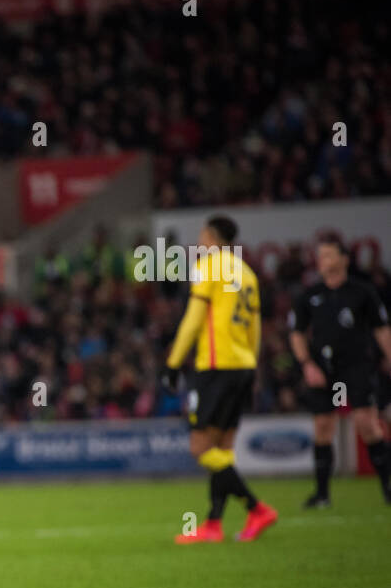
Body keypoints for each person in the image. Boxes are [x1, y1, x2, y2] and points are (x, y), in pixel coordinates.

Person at [162, 216, 277, 543]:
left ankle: (256, 508)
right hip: (242, 365)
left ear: (211, 237)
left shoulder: (210, 267)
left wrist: (172, 363)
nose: (199, 241)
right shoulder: (247, 274)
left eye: (201, 235)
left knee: (200, 447)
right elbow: (255, 329)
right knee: (222, 448)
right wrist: (252, 367)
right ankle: (213, 524)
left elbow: (193, 320)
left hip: (216, 366)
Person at [288, 234, 391, 506]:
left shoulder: (362, 292)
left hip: (356, 367)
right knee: (323, 427)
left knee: (366, 424)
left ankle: (387, 487)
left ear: (344, 259)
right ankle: (322, 494)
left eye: (328, 255)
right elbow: (297, 333)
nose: (322, 261)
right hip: (324, 371)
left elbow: (381, 328)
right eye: (320, 256)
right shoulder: (310, 295)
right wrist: (307, 365)